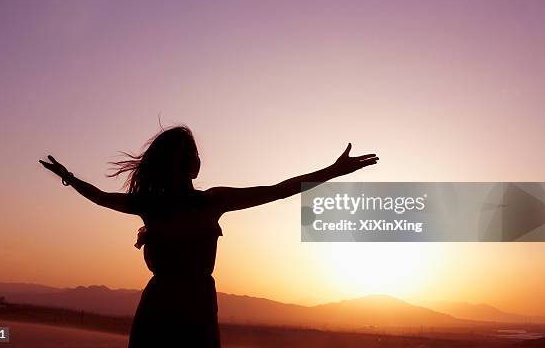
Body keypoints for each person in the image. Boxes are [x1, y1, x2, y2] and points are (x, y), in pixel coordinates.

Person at [39, 125, 378, 347]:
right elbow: (278, 191)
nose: (199, 159)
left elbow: (99, 196)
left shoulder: (164, 204)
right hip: (182, 306)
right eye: (193, 154)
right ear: (188, 165)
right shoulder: (206, 201)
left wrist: (68, 176)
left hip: (179, 305)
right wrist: (333, 171)